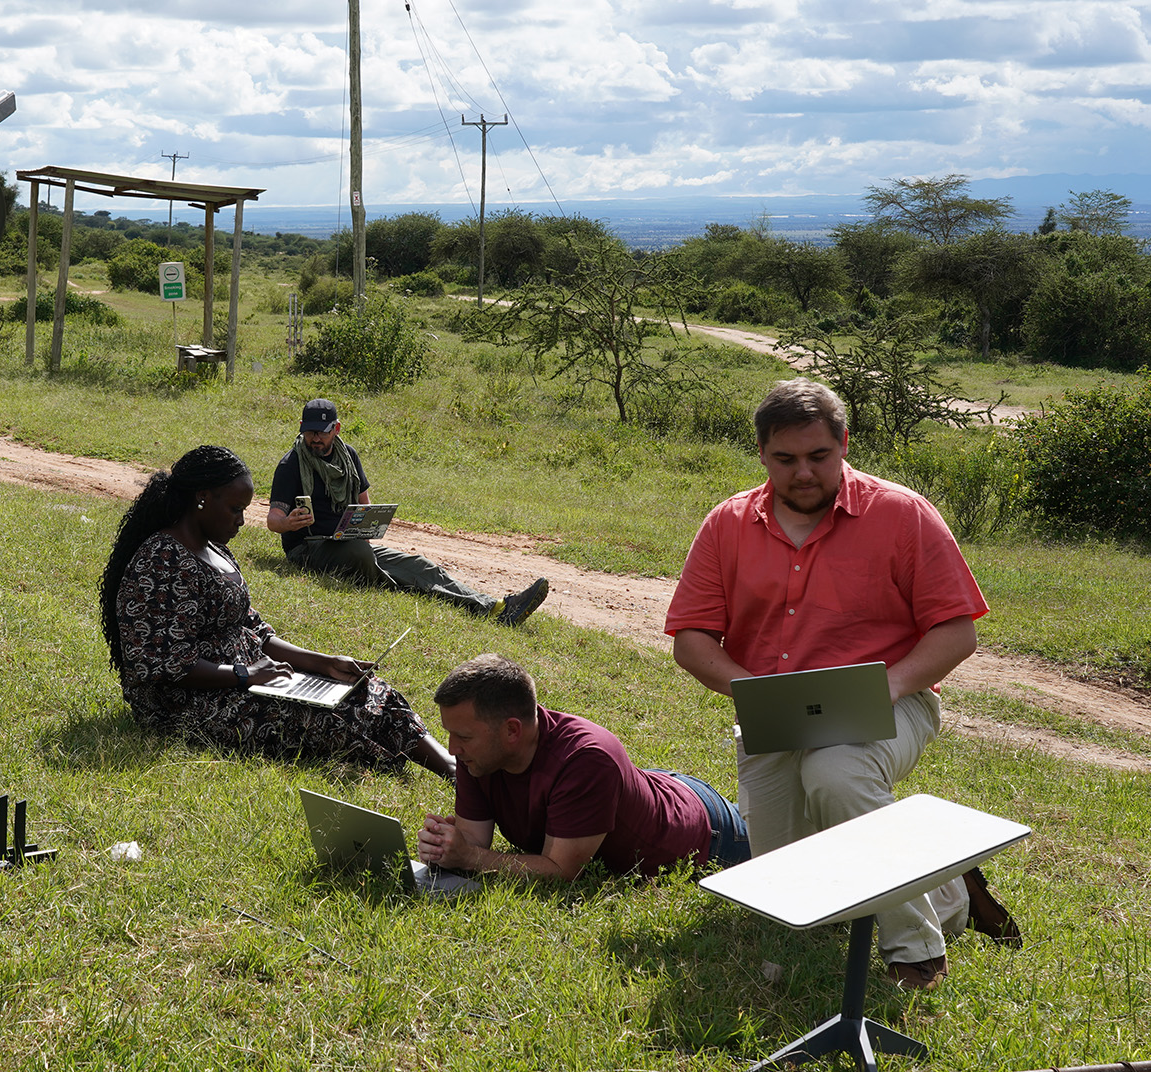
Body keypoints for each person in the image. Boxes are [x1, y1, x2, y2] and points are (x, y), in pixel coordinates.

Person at [665, 378, 1021, 990]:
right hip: (773, 712)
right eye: (785, 460)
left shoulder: (901, 514)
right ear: (762, 455)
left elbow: (957, 633)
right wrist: (750, 690)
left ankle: (915, 952)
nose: (803, 473)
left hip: (891, 702)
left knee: (836, 774)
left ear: (844, 444)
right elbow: (692, 639)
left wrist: (892, 683)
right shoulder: (727, 524)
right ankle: (949, 888)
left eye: (818, 457)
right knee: (785, 852)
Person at [100, 444, 456, 777]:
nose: (241, 521)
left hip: (248, 680)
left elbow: (253, 630)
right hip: (184, 702)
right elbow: (163, 663)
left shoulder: (216, 551)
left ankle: (455, 770)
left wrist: (324, 662)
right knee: (328, 716)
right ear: (202, 499)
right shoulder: (160, 562)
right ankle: (408, 761)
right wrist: (243, 675)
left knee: (364, 689)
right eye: (235, 509)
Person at [415, 653, 749, 880]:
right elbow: (474, 840)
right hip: (648, 790)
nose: (452, 749)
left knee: (792, 854)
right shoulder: (479, 755)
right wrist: (448, 847)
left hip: (712, 834)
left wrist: (470, 859)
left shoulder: (586, 759)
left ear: (512, 730)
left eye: (462, 737)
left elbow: (560, 871)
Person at [264, 398, 550, 625]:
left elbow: (364, 502)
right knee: (361, 555)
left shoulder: (348, 455)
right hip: (309, 548)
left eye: (322, 433)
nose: (316, 439)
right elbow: (273, 520)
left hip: (350, 542)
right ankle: (410, 586)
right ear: (301, 427)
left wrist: (366, 527)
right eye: (310, 431)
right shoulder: (291, 464)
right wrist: (288, 523)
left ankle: (497, 608)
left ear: (336, 429)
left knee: (422, 565)